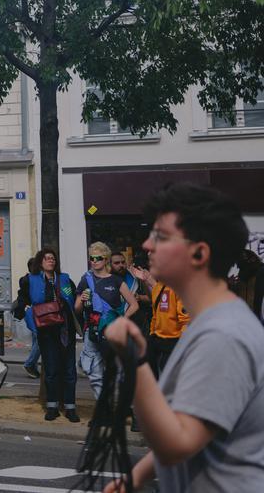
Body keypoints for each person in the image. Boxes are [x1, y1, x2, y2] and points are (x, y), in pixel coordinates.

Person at [102, 183, 264, 493]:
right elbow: (197, 429)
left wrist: (133, 361)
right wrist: (135, 477)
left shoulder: (223, 336)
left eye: (161, 237)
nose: (147, 245)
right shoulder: (211, 323)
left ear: (200, 252)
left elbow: (177, 444)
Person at [13, 247, 80, 422]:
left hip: (66, 331)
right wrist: (24, 313)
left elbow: (74, 299)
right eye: (47, 258)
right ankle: (52, 407)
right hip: (46, 331)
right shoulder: (30, 280)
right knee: (51, 370)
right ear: (40, 262)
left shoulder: (65, 279)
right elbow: (22, 301)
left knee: (69, 370)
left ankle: (70, 407)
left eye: (53, 258)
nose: (51, 260)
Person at [75, 242, 138, 398]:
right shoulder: (85, 280)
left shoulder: (115, 281)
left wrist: (121, 320)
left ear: (106, 259)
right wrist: (82, 300)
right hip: (92, 331)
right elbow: (76, 308)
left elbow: (134, 305)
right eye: (91, 258)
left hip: (112, 332)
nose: (94, 261)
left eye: (98, 258)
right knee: (94, 373)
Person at [20, 254, 42, 379]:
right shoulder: (28, 280)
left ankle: (32, 366)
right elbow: (24, 295)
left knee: (36, 339)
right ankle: (30, 364)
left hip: (33, 312)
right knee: (39, 339)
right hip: (33, 312)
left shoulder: (31, 278)